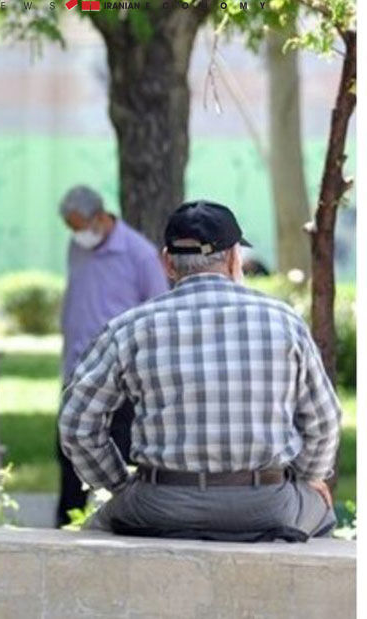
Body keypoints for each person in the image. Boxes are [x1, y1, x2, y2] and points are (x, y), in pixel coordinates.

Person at [61, 201, 340, 541]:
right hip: (267, 505)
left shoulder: (130, 327)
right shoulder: (284, 322)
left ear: (167, 262)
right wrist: (307, 477)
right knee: (320, 510)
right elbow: (324, 421)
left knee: (96, 529)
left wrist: (118, 484)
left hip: (159, 504)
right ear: (234, 259)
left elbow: (77, 423)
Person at [55, 184, 168, 526]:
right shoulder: (77, 246)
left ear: (100, 217)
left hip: (120, 379)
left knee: (118, 453)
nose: (77, 234)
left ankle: (121, 524)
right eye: (71, 228)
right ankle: (67, 527)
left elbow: (158, 313)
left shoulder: (139, 254)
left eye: (80, 226)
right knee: (68, 455)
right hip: (77, 370)